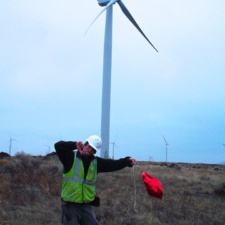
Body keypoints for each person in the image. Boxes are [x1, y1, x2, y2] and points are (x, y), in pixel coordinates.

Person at [55, 135, 137, 225]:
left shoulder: (96, 163)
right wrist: (74, 145)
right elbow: (58, 146)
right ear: (85, 144)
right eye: (89, 146)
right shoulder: (70, 158)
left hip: (86, 205)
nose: (89, 150)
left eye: (93, 149)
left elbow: (113, 164)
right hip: (71, 205)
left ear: (95, 152)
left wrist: (127, 161)